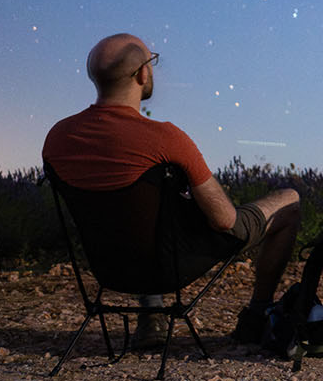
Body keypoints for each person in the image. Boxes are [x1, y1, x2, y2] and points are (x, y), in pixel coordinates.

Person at [43, 33, 300, 344]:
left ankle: (151, 316)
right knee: (289, 200)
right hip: (169, 268)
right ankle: (258, 316)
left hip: (108, 269)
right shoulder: (165, 139)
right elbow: (224, 221)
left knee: (142, 218)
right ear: (142, 73)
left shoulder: (57, 138)